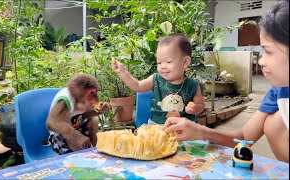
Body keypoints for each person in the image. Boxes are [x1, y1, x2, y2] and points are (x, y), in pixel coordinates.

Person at [163, 0, 289, 163]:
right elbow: (244, 137)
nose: (261, 61)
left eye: (268, 51)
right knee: (274, 122)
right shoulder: (280, 91)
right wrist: (201, 131)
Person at [111, 33, 205, 124]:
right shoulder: (155, 79)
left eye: (168, 62)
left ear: (185, 62)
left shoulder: (193, 85)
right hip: (156, 127)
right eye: (159, 62)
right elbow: (137, 86)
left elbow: (200, 106)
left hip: (182, 128)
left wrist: (195, 109)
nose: (163, 66)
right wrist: (122, 72)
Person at [45, 74, 109, 155]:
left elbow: (82, 116)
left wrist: (99, 111)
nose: (94, 98)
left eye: (95, 92)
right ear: (74, 88)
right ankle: (88, 155)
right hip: (60, 136)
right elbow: (51, 123)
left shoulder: (80, 98)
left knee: (93, 120)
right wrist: (77, 136)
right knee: (74, 138)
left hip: (76, 127)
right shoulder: (65, 100)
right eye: (91, 93)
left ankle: (94, 149)